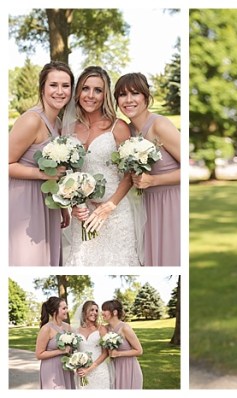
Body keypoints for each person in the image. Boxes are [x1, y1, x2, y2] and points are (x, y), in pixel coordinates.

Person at [62, 66, 141, 266]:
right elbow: (66, 174)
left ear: (105, 95)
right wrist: (74, 205)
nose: (90, 95)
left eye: (97, 90)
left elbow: (129, 175)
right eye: (85, 88)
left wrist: (109, 206)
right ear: (78, 92)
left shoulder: (118, 127)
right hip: (83, 215)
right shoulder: (68, 129)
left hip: (115, 212)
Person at [8, 61, 73, 266]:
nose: (60, 91)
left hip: (48, 202)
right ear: (42, 87)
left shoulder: (59, 124)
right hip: (25, 202)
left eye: (66, 86)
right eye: (53, 85)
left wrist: (62, 205)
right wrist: (42, 175)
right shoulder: (31, 120)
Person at [114, 72, 181, 266]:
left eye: (135, 93)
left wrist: (154, 180)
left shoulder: (159, 125)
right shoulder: (128, 131)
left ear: (146, 96)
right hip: (147, 205)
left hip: (170, 202)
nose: (128, 100)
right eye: (122, 95)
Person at [36, 296, 76, 389]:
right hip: (51, 370)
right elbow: (39, 354)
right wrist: (61, 351)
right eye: (64, 308)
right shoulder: (46, 329)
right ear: (55, 311)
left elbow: (72, 348)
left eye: (66, 308)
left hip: (66, 368)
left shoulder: (68, 327)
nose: (67, 311)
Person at [102, 300, 143, 389]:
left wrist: (118, 353)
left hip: (128, 368)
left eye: (105, 310)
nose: (102, 313)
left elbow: (139, 351)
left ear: (114, 312)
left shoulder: (125, 328)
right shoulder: (106, 329)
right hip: (114, 367)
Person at [73, 300, 112, 389]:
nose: (95, 313)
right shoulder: (76, 331)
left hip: (99, 370)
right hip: (82, 372)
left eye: (96, 310)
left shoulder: (101, 329)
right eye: (92, 310)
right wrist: (77, 366)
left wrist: (89, 369)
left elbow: (105, 353)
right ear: (84, 312)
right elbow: (75, 351)